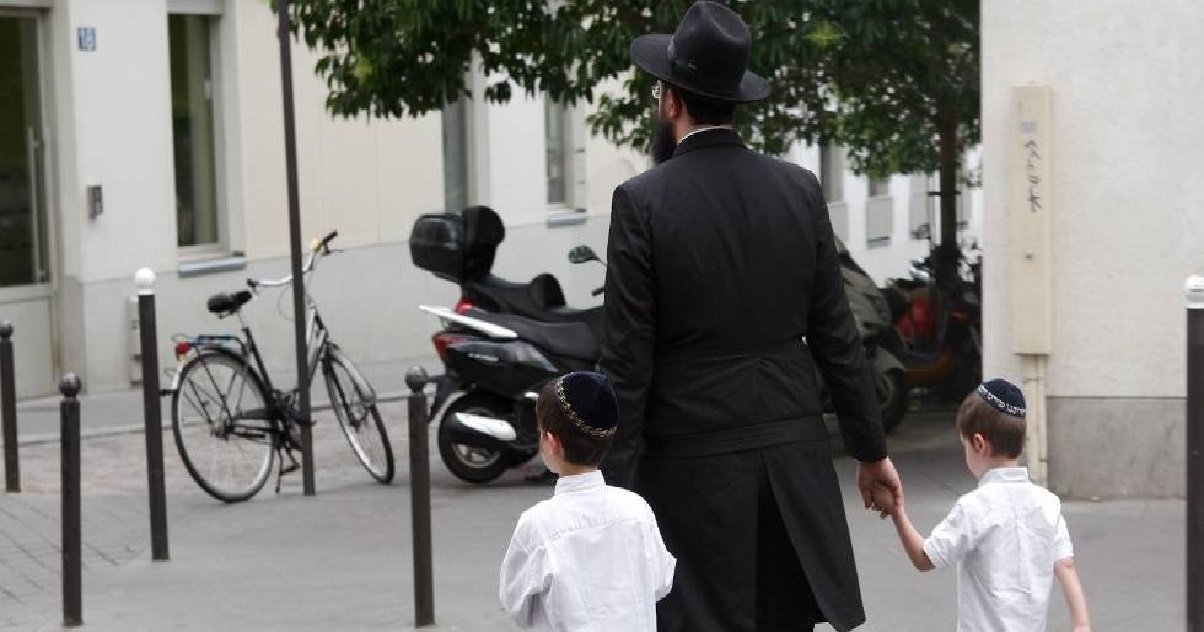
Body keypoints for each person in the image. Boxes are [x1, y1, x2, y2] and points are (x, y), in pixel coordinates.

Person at [598, 2, 903, 630]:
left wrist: (609, 490)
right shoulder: (797, 188)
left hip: (690, 467)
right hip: (792, 460)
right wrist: (871, 451)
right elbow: (835, 336)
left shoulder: (641, 202)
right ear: (734, 100)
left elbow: (627, 360)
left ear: (670, 102)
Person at [888, 379, 1092, 631]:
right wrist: (1081, 625)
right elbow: (1065, 565)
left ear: (978, 443)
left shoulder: (974, 507)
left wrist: (897, 512)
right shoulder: (1048, 504)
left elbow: (925, 558)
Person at [499, 371, 676, 631]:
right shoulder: (637, 509)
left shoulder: (537, 525)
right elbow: (660, 582)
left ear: (551, 442)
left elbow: (515, 602)